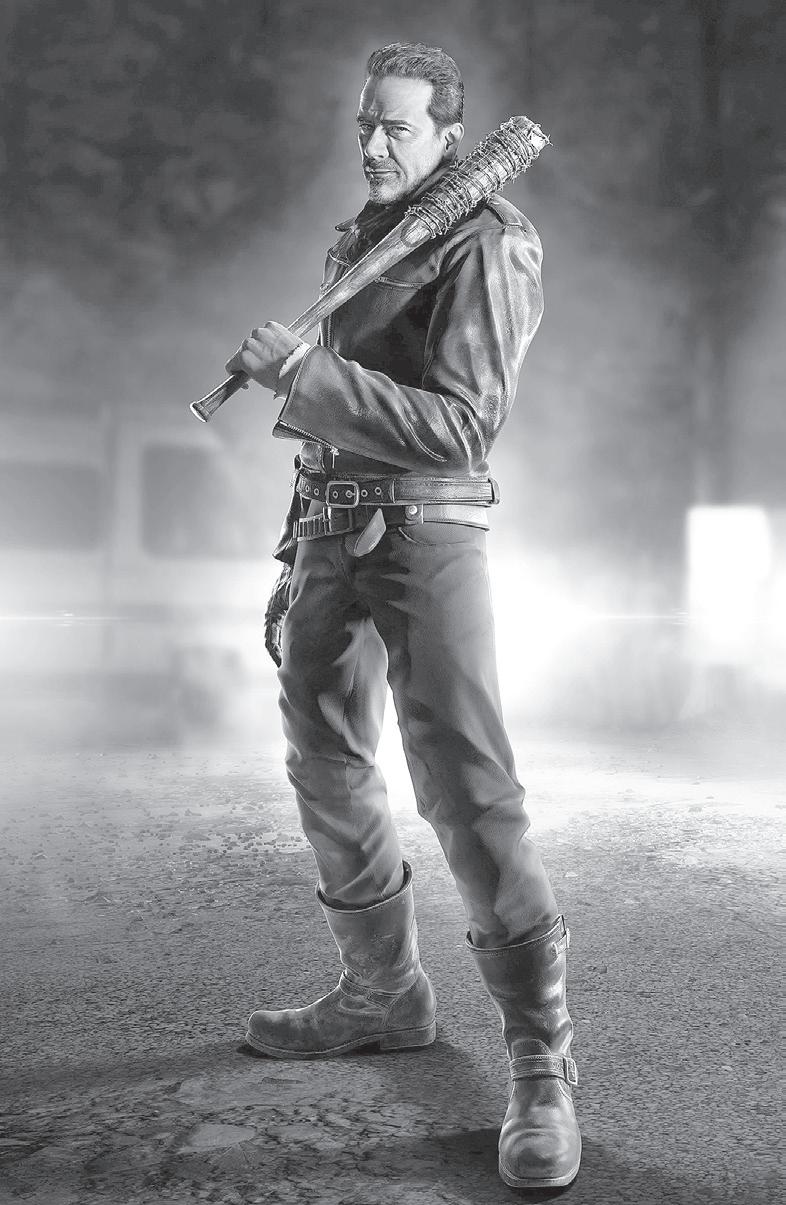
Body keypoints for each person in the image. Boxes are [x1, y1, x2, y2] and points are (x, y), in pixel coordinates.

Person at [224, 42, 581, 1191]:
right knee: (325, 761)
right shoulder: (361, 241)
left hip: (428, 534)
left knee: (467, 789)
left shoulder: (488, 241)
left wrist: (304, 377)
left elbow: (462, 427)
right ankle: (382, 992)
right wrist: (296, 547)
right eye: (366, 124)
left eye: (398, 126)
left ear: (447, 137)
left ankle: (541, 1061)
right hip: (333, 528)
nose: (374, 143)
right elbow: (338, 430)